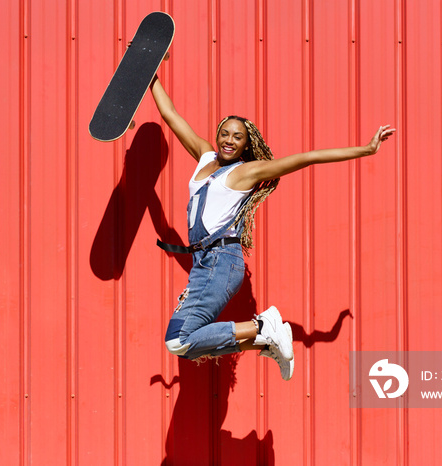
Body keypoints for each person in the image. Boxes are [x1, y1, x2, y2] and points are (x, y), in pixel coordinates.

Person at [150, 75, 395, 381]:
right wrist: (150, 73)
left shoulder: (247, 171)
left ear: (245, 144)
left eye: (237, 137)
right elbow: (171, 115)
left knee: (179, 340)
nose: (228, 140)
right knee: (185, 345)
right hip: (203, 264)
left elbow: (307, 158)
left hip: (221, 261)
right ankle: (264, 342)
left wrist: (365, 150)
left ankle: (264, 326)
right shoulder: (204, 157)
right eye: (224, 133)